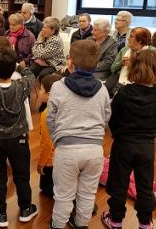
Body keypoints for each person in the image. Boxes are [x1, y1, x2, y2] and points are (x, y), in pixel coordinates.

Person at [48, 40, 111, 229]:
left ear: (70, 63)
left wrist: (57, 139)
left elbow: (51, 118)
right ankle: (81, 224)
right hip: (94, 150)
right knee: (87, 194)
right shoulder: (102, 88)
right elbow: (106, 116)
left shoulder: (59, 87)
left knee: (63, 195)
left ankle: (58, 225)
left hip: (67, 149)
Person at [102, 49, 156, 229]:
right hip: (146, 147)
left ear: (133, 67)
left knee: (118, 184)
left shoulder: (124, 93)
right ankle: (145, 223)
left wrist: (118, 134)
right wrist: (150, 134)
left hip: (123, 145)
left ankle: (115, 220)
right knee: (145, 185)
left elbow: (113, 119)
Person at [0, 48, 37, 228]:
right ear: (13, 68)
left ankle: (0, 212)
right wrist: (20, 67)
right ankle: (26, 208)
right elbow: (30, 74)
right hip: (18, 138)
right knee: (22, 175)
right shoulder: (23, 86)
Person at [105, 27, 156, 97]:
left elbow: (154, 73)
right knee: (106, 90)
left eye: (131, 37)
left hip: (141, 82)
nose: (128, 39)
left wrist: (135, 64)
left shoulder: (153, 52)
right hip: (120, 77)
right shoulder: (124, 50)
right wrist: (121, 63)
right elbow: (112, 69)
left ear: (140, 41)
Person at [37, 73, 62, 197]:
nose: (39, 92)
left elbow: (48, 144)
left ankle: (72, 196)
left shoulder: (46, 114)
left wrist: (41, 163)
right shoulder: (66, 108)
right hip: (65, 160)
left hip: (51, 162)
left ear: (48, 95)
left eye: (40, 88)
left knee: (44, 188)